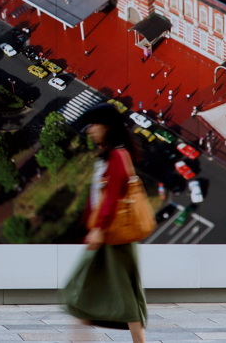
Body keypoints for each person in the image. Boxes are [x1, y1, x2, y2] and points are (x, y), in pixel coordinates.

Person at [62, 103, 147, 343]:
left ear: (108, 127)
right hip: (108, 236)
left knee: (89, 292)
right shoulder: (110, 154)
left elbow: (112, 196)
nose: (89, 130)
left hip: (113, 236)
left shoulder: (118, 155)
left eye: (94, 125)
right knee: (89, 293)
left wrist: (98, 228)